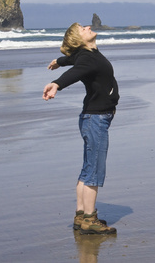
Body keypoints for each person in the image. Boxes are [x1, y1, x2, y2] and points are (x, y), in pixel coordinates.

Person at [43, 23, 119, 235]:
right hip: (96, 119)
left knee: (88, 168)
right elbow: (76, 71)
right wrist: (57, 84)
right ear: (79, 40)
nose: (87, 26)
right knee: (94, 170)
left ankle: (80, 215)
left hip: (92, 118)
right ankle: (89, 219)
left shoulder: (88, 53)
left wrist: (59, 61)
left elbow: (73, 60)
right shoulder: (87, 58)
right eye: (82, 28)